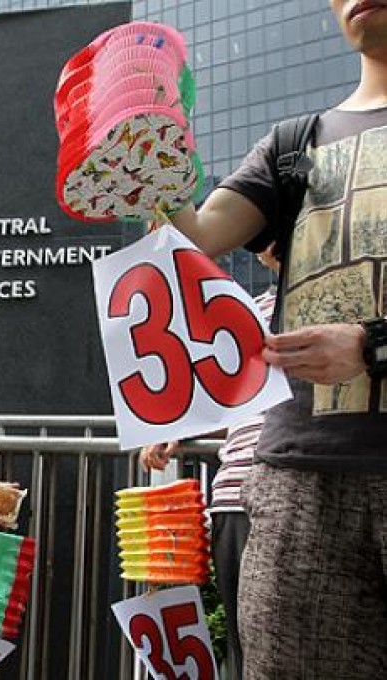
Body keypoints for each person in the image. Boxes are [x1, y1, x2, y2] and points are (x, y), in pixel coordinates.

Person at [166, 2, 387, 675]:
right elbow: (195, 240)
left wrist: (373, 347)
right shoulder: (293, 143)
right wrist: (151, 148)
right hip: (297, 479)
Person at [139, 246, 278, 680]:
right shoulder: (252, 311)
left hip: (298, 487)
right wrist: (177, 430)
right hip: (233, 495)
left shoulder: (334, 302)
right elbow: (234, 406)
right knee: (244, 645)